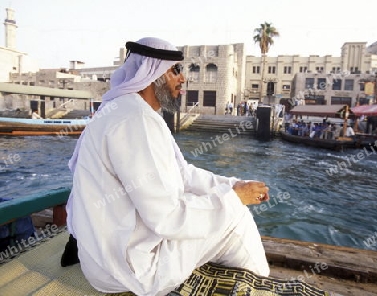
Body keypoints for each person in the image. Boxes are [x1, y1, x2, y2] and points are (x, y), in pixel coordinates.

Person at [64, 37, 270, 296]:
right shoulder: (135, 120)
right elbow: (167, 218)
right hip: (129, 270)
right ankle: (263, 289)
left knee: (221, 202)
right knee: (235, 216)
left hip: (103, 259)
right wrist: (234, 200)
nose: (182, 78)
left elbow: (182, 173)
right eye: (175, 70)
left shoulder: (126, 111)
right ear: (152, 74)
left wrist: (233, 186)